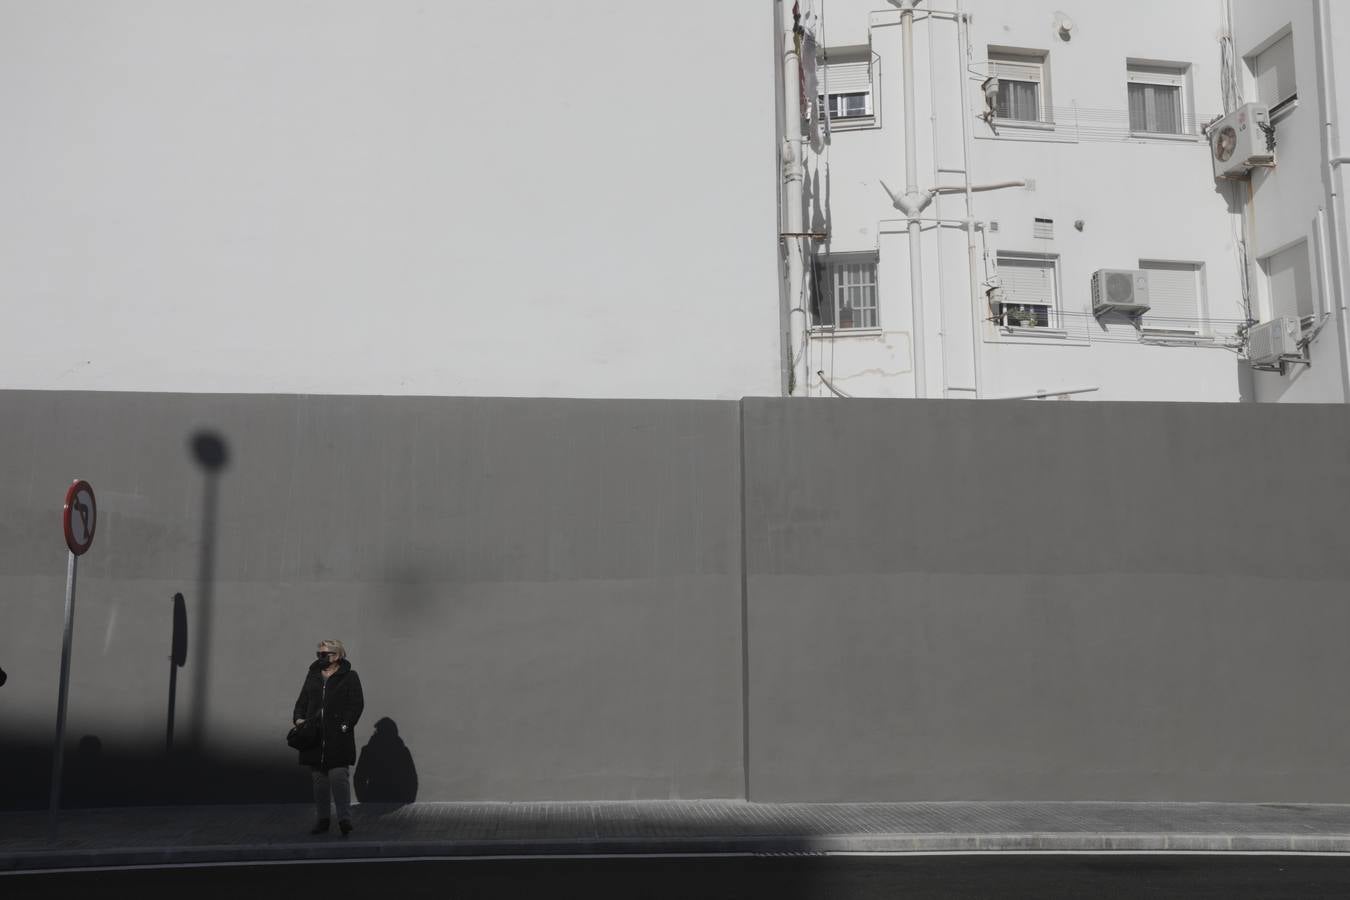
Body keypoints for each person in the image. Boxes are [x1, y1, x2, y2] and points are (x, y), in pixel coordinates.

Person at [293, 639, 364, 836]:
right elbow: (302, 700)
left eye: (325, 654)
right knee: (319, 781)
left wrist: (345, 725)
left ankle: (344, 819)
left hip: (337, 736)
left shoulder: (350, 677)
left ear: (338, 655)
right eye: (319, 654)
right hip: (314, 736)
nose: (321, 658)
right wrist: (298, 719)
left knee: (339, 777)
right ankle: (323, 820)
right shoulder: (313, 675)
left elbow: (356, 704)